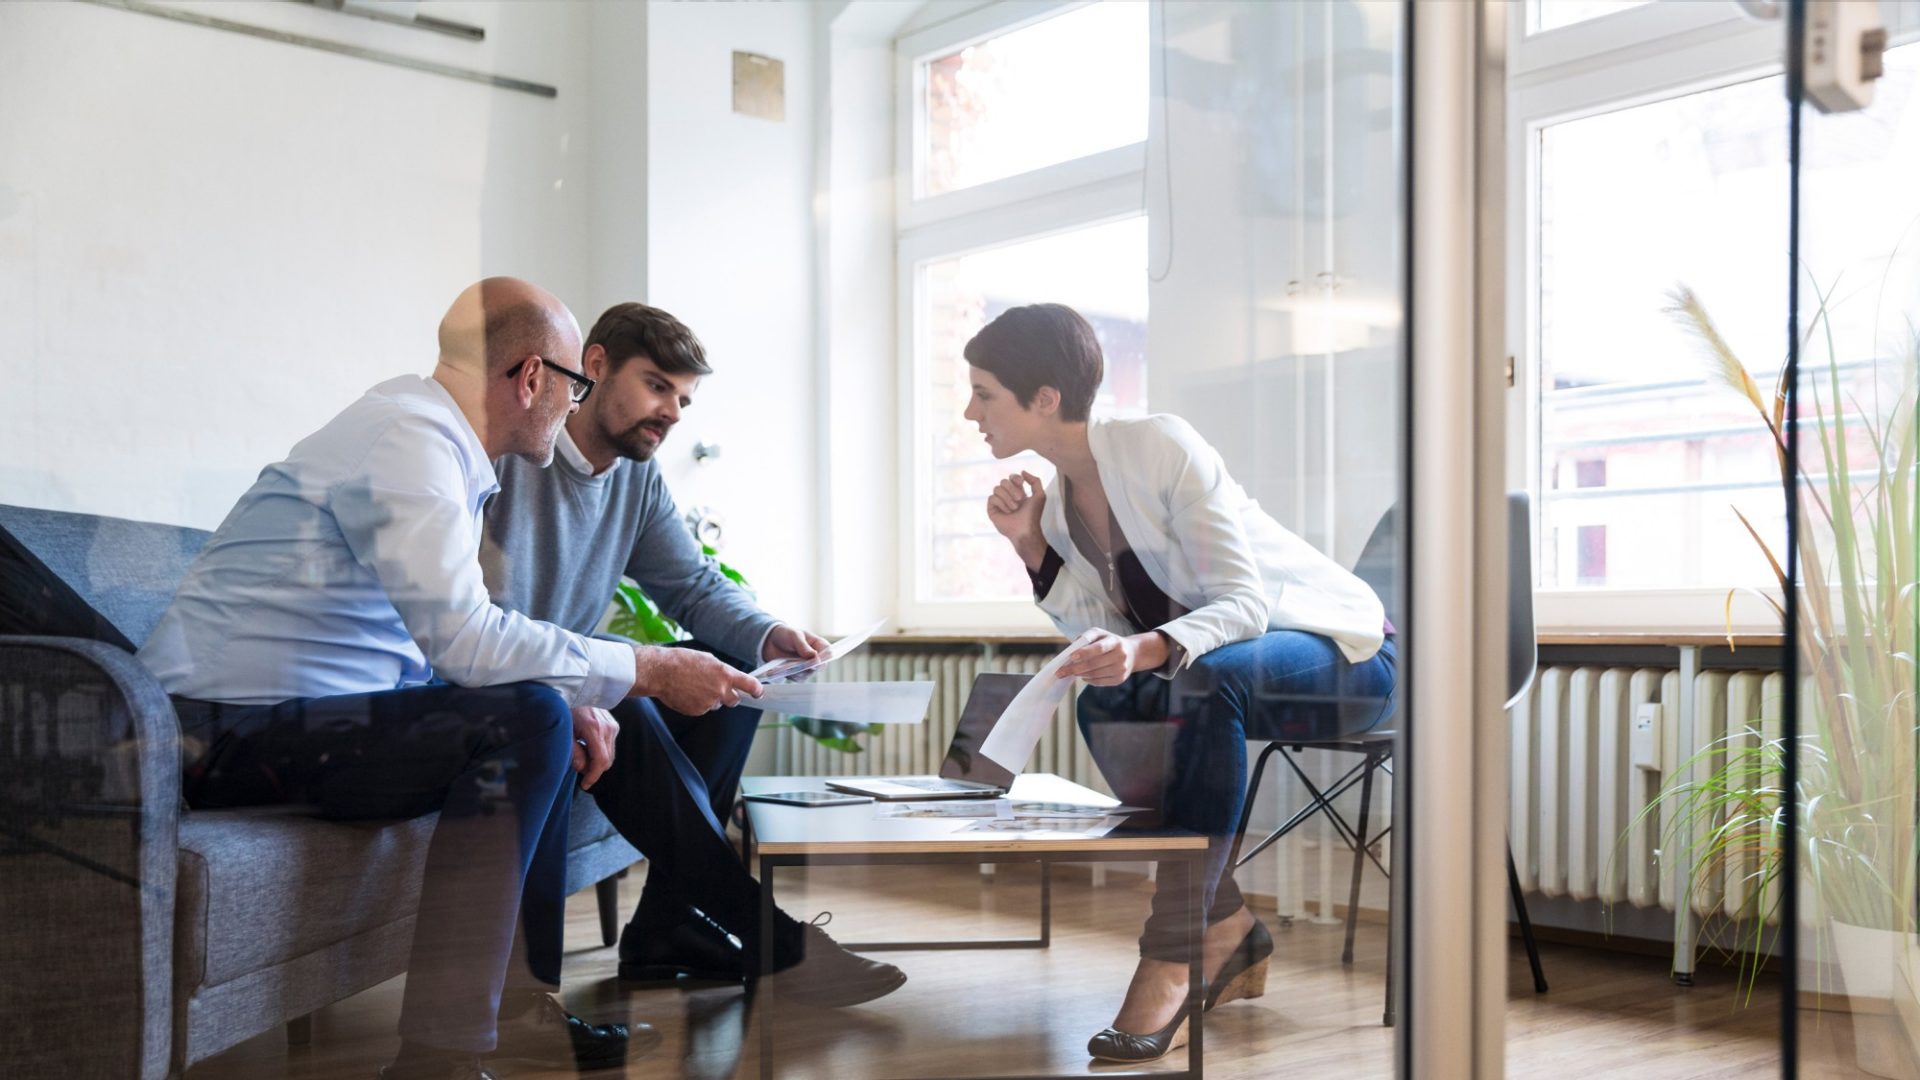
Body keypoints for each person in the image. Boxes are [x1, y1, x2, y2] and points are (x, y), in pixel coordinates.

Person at [138, 278, 714, 1080]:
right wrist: (644, 667)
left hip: (285, 720)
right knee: (531, 718)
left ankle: (512, 1014)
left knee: (541, 708)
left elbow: (417, 646)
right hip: (216, 731)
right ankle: (441, 1060)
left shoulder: (429, 440)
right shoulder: (411, 440)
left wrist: (569, 689)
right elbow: (467, 642)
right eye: (573, 385)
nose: (572, 405)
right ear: (531, 378)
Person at [963, 303, 1397, 1064]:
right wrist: (1031, 545)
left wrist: (1148, 648)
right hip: (1228, 667)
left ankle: (1173, 957)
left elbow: (1245, 602)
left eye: (985, 392)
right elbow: (1102, 631)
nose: (971, 412)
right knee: (1109, 691)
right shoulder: (1062, 501)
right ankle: (1227, 924)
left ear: (1044, 398)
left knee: (1202, 682)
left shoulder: (1157, 446)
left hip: (1347, 652)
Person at [480, 301, 906, 1005]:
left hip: (583, 688)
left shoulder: (637, 480)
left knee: (725, 678)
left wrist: (769, 637)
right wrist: (592, 684)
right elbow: (472, 625)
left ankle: (665, 927)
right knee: (629, 686)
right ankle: (774, 940)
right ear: (594, 365)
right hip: (515, 691)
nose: (672, 411)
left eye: (682, 397)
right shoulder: (510, 454)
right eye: (656, 385)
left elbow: (693, 586)